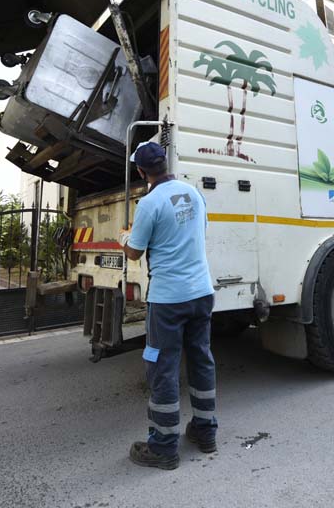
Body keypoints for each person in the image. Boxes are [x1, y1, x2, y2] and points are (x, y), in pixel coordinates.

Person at [119, 142, 216, 470]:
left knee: (163, 367)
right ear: (167, 163)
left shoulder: (149, 203)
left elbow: (134, 251)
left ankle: (163, 446)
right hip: (202, 292)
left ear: (141, 172)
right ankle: (205, 432)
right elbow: (199, 233)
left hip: (168, 300)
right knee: (201, 358)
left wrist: (123, 238)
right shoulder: (194, 193)